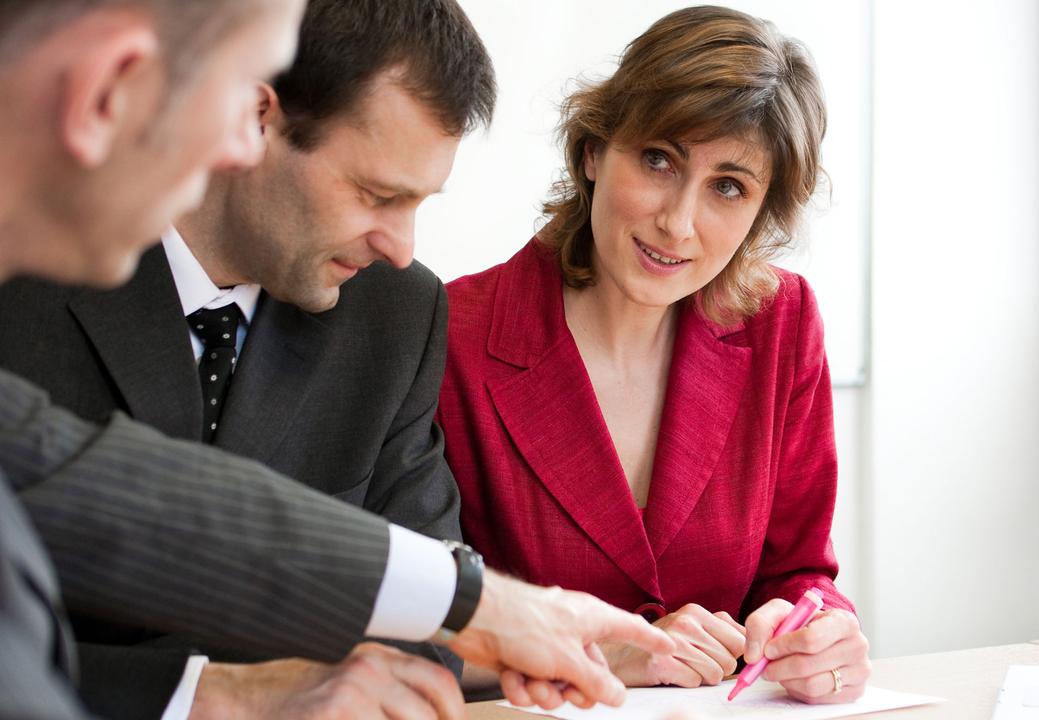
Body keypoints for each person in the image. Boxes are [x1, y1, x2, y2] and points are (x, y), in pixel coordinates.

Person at [0, 0, 674, 717]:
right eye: (378, 194)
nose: (403, 246)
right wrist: (217, 695)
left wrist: (474, 604)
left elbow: (93, 486)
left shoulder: (397, 314)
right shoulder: (39, 262)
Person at [437, 5, 871, 705]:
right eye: (658, 160)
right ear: (593, 152)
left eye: (728, 187)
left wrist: (817, 627)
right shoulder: (454, 334)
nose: (678, 221)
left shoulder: (782, 324)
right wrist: (595, 651)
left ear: (762, 214)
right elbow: (400, 619)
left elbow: (798, 576)